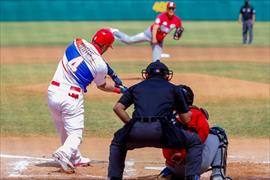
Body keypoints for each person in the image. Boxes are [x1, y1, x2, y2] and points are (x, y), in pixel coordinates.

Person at [47, 28, 127, 173]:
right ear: (104, 46)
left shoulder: (77, 42)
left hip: (53, 92)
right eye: (107, 47)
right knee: (75, 134)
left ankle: (75, 158)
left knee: (63, 129)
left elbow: (93, 55)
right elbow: (102, 86)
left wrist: (112, 72)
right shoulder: (100, 66)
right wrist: (119, 89)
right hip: (71, 97)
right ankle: (64, 152)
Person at [108, 60, 203, 180]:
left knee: (117, 143)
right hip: (162, 133)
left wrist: (131, 124)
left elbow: (118, 108)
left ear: (146, 75)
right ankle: (192, 178)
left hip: (136, 131)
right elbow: (186, 119)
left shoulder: (135, 88)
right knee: (194, 141)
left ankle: (113, 177)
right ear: (166, 75)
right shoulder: (174, 89)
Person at [159, 85, 231, 180]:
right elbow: (199, 141)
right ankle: (218, 176)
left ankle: (169, 172)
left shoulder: (165, 115)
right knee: (218, 132)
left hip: (172, 165)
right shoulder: (197, 114)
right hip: (194, 168)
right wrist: (183, 155)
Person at [110, 1, 184, 62]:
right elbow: (155, 27)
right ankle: (115, 32)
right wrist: (154, 39)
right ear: (167, 9)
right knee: (129, 40)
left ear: (175, 9)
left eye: (172, 8)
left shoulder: (177, 20)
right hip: (149, 34)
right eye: (169, 8)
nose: (171, 10)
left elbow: (178, 32)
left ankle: (154, 75)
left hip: (159, 40)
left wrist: (178, 36)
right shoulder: (161, 16)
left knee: (156, 60)